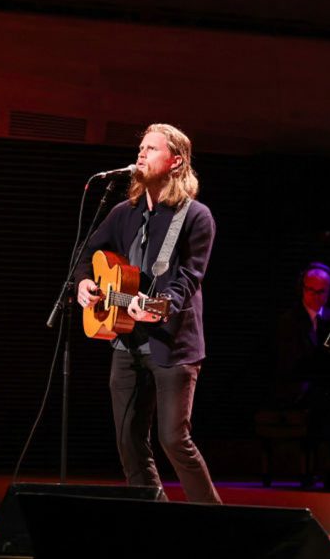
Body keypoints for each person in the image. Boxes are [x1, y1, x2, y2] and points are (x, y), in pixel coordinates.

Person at [75, 123, 221, 504]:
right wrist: (83, 283)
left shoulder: (195, 216)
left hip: (173, 343)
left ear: (175, 162)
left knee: (174, 439)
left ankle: (218, 525)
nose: (140, 154)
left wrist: (161, 307)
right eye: (140, 147)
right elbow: (87, 254)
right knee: (128, 440)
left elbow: (190, 277)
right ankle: (153, 521)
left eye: (151, 149)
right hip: (125, 340)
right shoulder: (125, 211)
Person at [273, 262, 330, 489]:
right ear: (302, 289)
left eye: (320, 291)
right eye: (309, 290)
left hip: (323, 388)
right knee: (325, 403)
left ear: (328, 292)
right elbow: (288, 363)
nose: (314, 296)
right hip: (296, 386)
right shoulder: (289, 321)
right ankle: (325, 471)